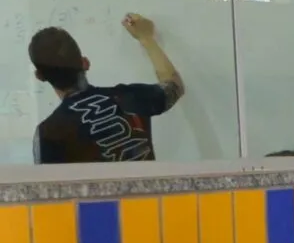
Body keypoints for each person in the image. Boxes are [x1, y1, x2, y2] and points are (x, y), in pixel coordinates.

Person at [29, 16, 183, 164]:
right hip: (154, 190)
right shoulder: (129, 97)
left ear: (39, 76)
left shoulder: (48, 134)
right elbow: (175, 85)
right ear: (85, 63)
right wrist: (146, 38)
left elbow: (46, 188)